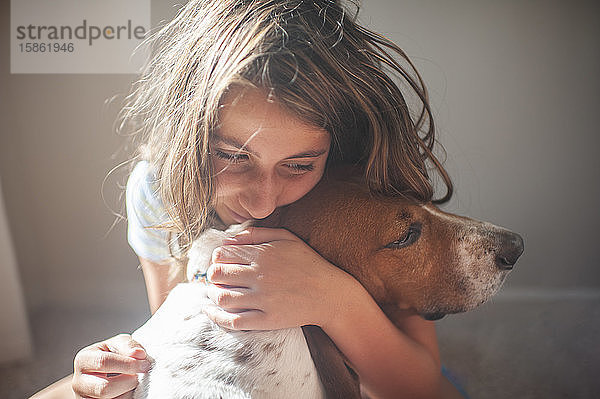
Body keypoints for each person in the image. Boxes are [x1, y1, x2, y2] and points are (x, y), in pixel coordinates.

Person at [32, 0, 466, 398]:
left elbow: (422, 386)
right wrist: (108, 366)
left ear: (334, 154)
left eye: (298, 165)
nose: (262, 203)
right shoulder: (158, 188)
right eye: (232, 156)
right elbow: (176, 323)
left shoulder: (362, 182)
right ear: (191, 138)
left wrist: (334, 299)